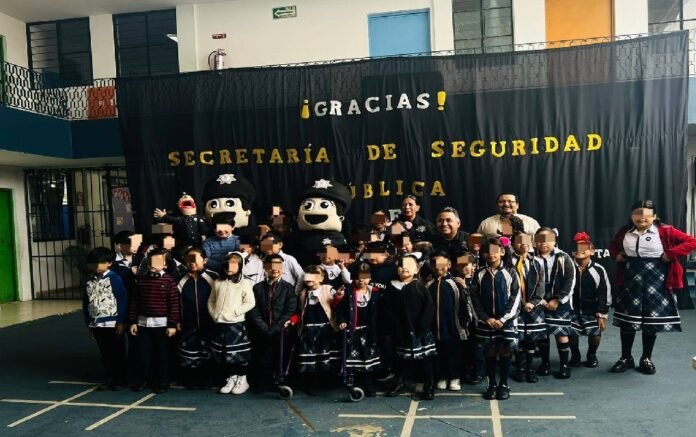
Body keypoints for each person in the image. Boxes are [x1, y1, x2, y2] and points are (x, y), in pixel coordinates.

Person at [608, 200, 696, 374]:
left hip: (657, 280)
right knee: (627, 321)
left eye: (647, 215)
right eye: (637, 214)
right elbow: (613, 246)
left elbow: (692, 242)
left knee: (651, 322)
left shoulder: (665, 231)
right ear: (632, 215)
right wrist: (616, 255)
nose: (642, 218)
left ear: (654, 216)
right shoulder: (625, 231)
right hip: (630, 280)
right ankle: (626, 358)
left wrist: (671, 254)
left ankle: (646, 359)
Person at [470, 238, 521, 400]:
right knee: (489, 351)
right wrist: (486, 318)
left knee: (504, 350)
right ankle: (492, 384)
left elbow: (516, 297)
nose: (491, 254)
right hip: (487, 322)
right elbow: (473, 298)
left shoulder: (511, 272)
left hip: (505, 321)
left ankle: (504, 384)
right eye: (487, 251)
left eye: (494, 251)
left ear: (502, 252)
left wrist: (503, 319)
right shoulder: (479, 274)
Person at [385, 254, 437, 400]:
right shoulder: (392, 287)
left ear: (416, 270)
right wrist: (395, 325)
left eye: (409, 265)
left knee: (425, 359)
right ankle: (399, 381)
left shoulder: (420, 286)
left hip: (420, 330)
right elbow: (388, 308)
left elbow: (429, 307)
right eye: (401, 266)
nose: (404, 268)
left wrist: (423, 325)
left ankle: (429, 384)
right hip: (401, 330)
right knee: (400, 359)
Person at [128, 248, 180, 393]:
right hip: (143, 323)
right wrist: (133, 321)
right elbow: (134, 302)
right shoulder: (141, 279)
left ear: (165, 265)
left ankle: (162, 382)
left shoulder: (169, 280)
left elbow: (174, 304)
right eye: (151, 261)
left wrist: (172, 324)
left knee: (162, 355)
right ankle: (143, 380)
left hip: (162, 325)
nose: (153, 264)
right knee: (144, 354)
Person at [246, 254, 298, 393]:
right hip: (261, 330)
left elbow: (290, 309)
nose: (274, 268)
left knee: (281, 356)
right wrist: (263, 327)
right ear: (265, 268)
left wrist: (276, 327)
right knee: (262, 357)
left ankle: (280, 381)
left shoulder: (288, 288)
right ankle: (263, 383)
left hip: (281, 331)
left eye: (278, 265)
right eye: (270, 265)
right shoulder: (257, 288)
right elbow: (253, 309)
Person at [208, 251, 255, 395]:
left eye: (234, 264)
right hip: (219, 323)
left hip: (235, 323)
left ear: (240, 266)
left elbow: (250, 302)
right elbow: (211, 300)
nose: (230, 267)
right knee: (224, 354)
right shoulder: (218, 282)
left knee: (239, 354)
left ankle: (242, 379)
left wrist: (234, 313)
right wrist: (214, 313)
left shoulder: (245, 283)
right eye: (228, 264)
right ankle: (232, 378)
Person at [82, 247, 128, 391]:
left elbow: (122, 300)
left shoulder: (115, 279)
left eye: (100, 263)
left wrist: (121, 321)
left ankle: (120, 379)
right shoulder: (89, 281)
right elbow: (86, 302)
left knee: (117, 352)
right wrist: (89, 324)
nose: (96, 266)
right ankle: (110, 378)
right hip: (97, 323)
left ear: (109, 263)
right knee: (105, 352)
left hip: (113, 323)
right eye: (93, 263)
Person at [427, 251, 474, 392]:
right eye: (435, 263)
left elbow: (465, 304)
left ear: (449, 265)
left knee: (454, 352)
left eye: (441, 263)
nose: (438, 267)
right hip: (434, 327)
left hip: (453, 326)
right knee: (438, 351)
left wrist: (465, 322)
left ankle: (455, 377)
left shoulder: (455, 283)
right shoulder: (429, 284)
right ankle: (442, 376)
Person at [534, 227, 576, 379]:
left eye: (548, 240)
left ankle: (564, 365)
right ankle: (545, 363)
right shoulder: (531, 258)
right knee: (542, 333)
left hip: (559, 302)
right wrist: (538, 299)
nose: (543, 243)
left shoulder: (563, 257)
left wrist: (557, 299)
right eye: (540, 240)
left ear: (554, 241)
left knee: (561, 333)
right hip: (538, 301)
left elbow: (570, 281)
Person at [336, 262, 381, 397]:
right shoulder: (348, 292)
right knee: (352, 358)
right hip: (353, 331)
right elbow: (340, 310)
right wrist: (342, 321)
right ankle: (353, 384)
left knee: (368, 358)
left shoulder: (375, 292)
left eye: (365, 277)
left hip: (369, 332)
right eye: (357, 277)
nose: (361, 280)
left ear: (370, 277)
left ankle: (369, 385)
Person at [176, 246, 218, 389]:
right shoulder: (180, 278)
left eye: (195, 259)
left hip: (210, 323)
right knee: (190, 353)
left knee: (209, 352)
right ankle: (191, 380)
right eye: (188, 259)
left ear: (205, 260)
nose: (191, 262)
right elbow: (175, 302)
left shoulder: (214, 277)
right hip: (188, 324)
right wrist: (177, 320)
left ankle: (208, 380)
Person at [569, 232, 611, 368]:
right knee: (571, 333)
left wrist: (602, 313)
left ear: (592, 251)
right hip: (572, 309)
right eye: (577, 248)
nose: (580, 250)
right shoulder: (568, 269)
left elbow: (604, 292)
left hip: (592, 309)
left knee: (595, 333)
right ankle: (575, 354)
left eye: (584, 248)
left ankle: (591, 354)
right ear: (573, 252)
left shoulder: (599, 270)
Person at [296, 265, 340, 391]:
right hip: (308, 329)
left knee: (326, 356)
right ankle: (312, 384)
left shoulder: (328, 289)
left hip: (326, 328)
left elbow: (337, 303)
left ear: (321, 278)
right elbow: (299, 311)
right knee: (310, 358)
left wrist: (339, 297)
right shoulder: (303, 293)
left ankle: (327, 382)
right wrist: (293, 320)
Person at [510, 233, 546, 384]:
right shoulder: (508, 262)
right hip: (515, 307)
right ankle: (520, 368)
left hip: (533, 307)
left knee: (531, 338)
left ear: (531, 243)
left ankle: (530, 369)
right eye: (519, 241)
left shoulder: (537, 262)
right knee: (519, 338)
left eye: (526, 240)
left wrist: (533, 302)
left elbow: (541, 285)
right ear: (513, 244)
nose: (523, 243)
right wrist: (520, 304)